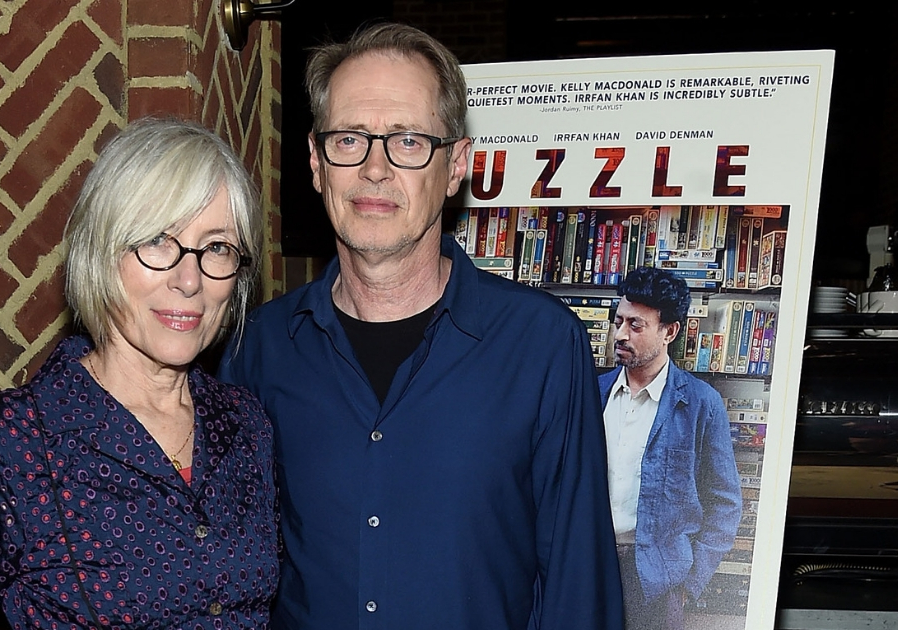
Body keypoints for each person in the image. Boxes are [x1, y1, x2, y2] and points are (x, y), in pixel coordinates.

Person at [218, 23, 624, 630]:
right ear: (315, 162)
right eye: (350, 138)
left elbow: (578, 588)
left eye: (408, 141)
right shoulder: (258, 349)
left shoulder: (541, 345)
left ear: (456, 164)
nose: (375, 168)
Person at [0, 118, 277, 629]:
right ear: (101, 251)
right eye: (159, 241)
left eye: (217, 248)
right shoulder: (4, 443)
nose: (190, 279)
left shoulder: (246, 425)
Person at [599, 267, 742, 630]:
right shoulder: (590, 393)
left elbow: (725, 503)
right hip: (589, 566)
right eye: (619, 321)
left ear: (670, 332)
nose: (621, 334)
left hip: (659, 580)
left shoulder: (700, 404)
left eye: (636, 325)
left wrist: (688, 584)